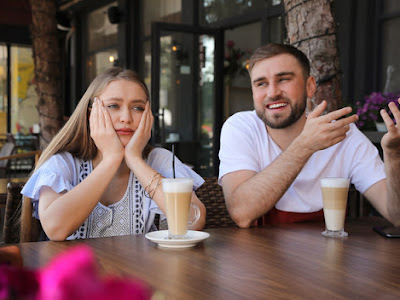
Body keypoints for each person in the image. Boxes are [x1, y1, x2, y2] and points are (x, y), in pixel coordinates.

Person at [219, 43, 400, 228]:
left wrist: (394, 157)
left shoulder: (343, 134)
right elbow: (241, 213)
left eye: (283, 79)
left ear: (310, 86)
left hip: (330, 254)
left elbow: (396, 216)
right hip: (260, 255)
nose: (272, 93)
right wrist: (304, 146)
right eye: (261, 83)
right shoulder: (241, 128)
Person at [21, 67, 206, 241]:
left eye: (138, 108)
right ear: (90, 115)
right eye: (113, 106)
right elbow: (55, 228)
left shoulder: (159, 160)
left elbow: (193, 222)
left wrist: (134, 159)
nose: (126, 117)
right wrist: (111, 159)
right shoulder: (63, 164)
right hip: (78, 274)